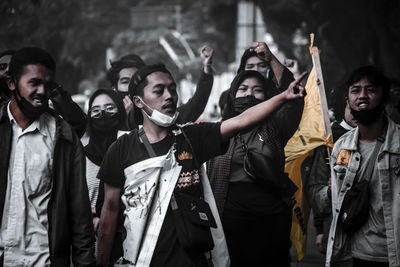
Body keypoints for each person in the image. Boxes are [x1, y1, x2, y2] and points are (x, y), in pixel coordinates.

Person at [96, 63, 306, 267]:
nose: (169, 96)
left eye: (172, 89)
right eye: (159, 91)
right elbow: (110, 212)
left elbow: (242, 120)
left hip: (192, 258)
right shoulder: (120, 149)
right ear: (138, 101)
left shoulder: (192, 137)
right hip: (142, 258)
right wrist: (102, 261)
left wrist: (284, 96)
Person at [0, 47, 95, 266]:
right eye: (34, 83)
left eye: (48, 84)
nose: (42, 91)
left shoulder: (64, 139)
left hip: (44, 261)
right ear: (12, 83)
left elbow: (80, 218)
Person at [207, 69, 305, 266]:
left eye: (257, 90)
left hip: (270, 220)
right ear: (232, 96)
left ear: (267, 96)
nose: (249, 94)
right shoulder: (218, 130)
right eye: (242, 89)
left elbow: (294, 97)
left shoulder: (276, 126)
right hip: (228, 219)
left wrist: (270, 57)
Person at [326, 66, 400, 267]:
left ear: (385, 98)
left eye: (371, 90)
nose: (363, 96)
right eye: (355, 90)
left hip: (394, 252)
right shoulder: (341, 147)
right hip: (357, 254)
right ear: (348, 100)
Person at [107, 47, 215, 130]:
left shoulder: (162, 117)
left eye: (135, 81)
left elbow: (195, 106)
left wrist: (207, 69)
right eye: (125, 82)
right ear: (114, 89)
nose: (130, 87)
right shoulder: (105, 121)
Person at [305, 103, 356, 257]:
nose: (357, 112)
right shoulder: (330, 137)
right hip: (336, 223)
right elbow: (316, 190)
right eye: (351, 108)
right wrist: (319, 229)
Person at [0, 49, 88, 138]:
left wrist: (53, 89)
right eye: (2, 67)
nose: (8, 70)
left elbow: (78, 125)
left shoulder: (42, 108)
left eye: (12, 66)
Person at [84, 89, 127, 231]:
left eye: (109, 108)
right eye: (96, 111)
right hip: (91, 243)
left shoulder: (132, 151)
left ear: (120, 111)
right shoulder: (81, 156)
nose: (102, 114)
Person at [219, 42, 294, 116]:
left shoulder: (277, 94)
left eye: (262, 65)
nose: (256, 69)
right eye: (250, 66)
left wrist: (271, 58)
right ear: (243, 69)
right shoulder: (227, 96)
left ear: (268, 68)